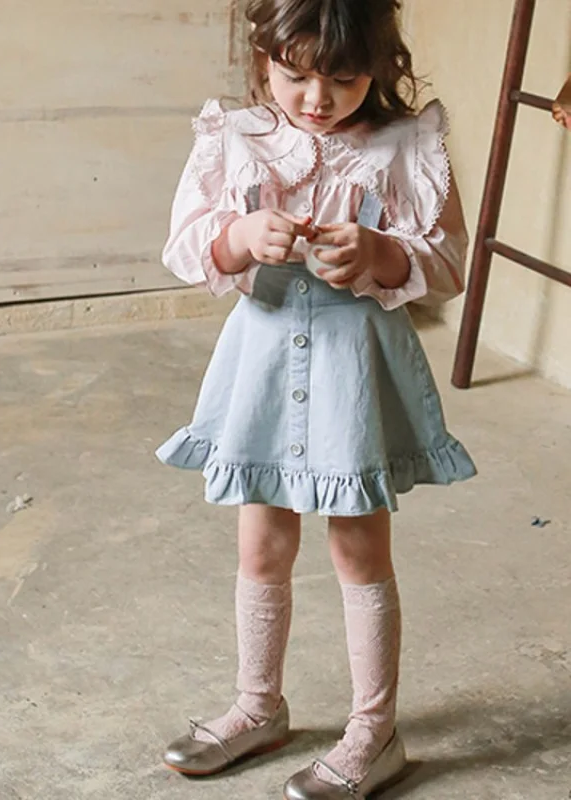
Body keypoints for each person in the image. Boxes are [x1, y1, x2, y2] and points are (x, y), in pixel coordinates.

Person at [154, 0, 477, 797]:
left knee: (358, 548)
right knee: (261, 544)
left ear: (382, 64)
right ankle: (258, 705)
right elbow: (187, 244)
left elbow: (448, 262)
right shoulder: (235, 139)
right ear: (262, 57)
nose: (317, 99)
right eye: (296, 76)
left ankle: (375, 730)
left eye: (343, 78)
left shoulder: (407, 147)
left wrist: (383, 253)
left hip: (353, 369)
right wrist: (241, 237)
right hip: (261, 363)